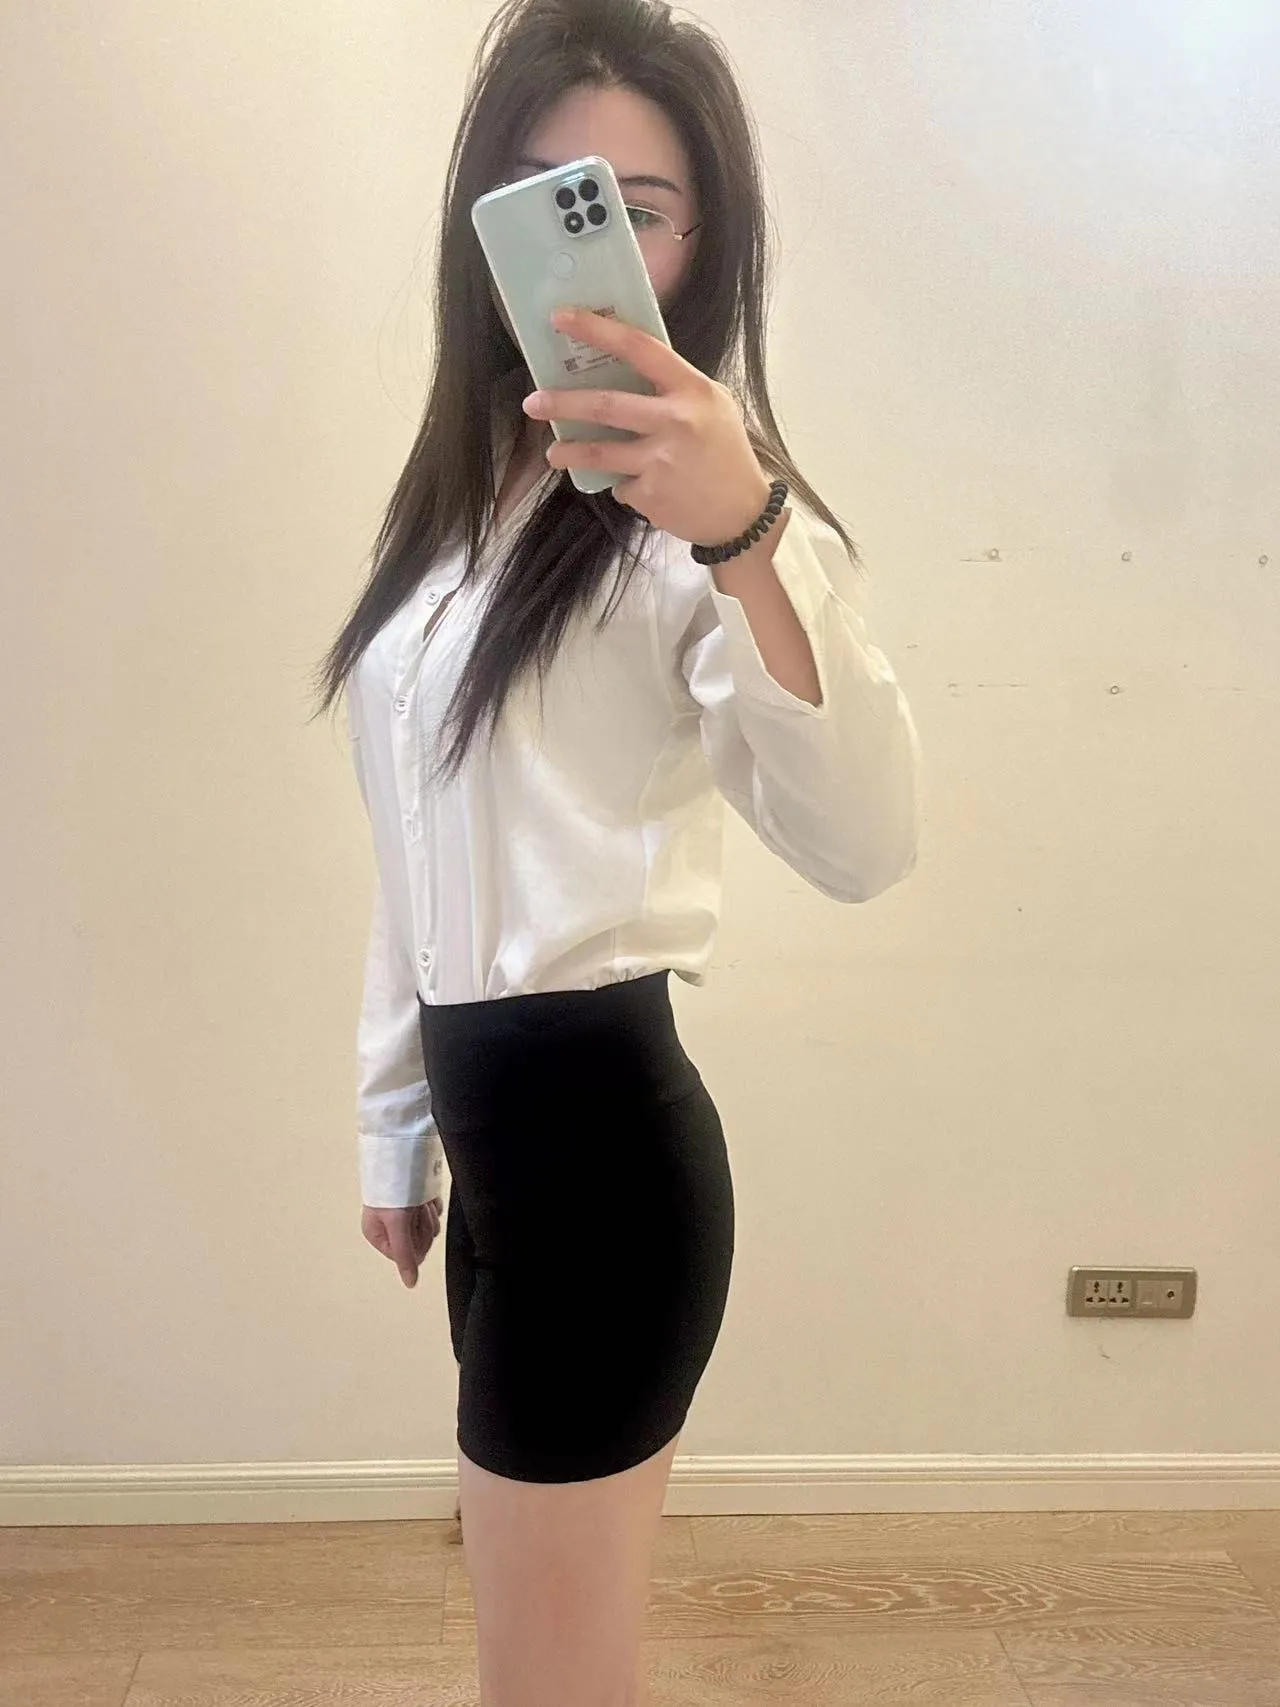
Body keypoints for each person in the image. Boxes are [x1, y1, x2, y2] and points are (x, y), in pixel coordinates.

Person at [312, 1, 921, 1701]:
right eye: (541, 194)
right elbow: (412, 848)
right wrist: (392, 1123)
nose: (584, 243)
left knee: (551, 1679)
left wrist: (745, 532)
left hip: (602, 1166)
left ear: (702, 242)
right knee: (547, 1662)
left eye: (633, 206)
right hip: (497, 1153)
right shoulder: (456, 512)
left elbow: (867, 840)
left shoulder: (706, 532)